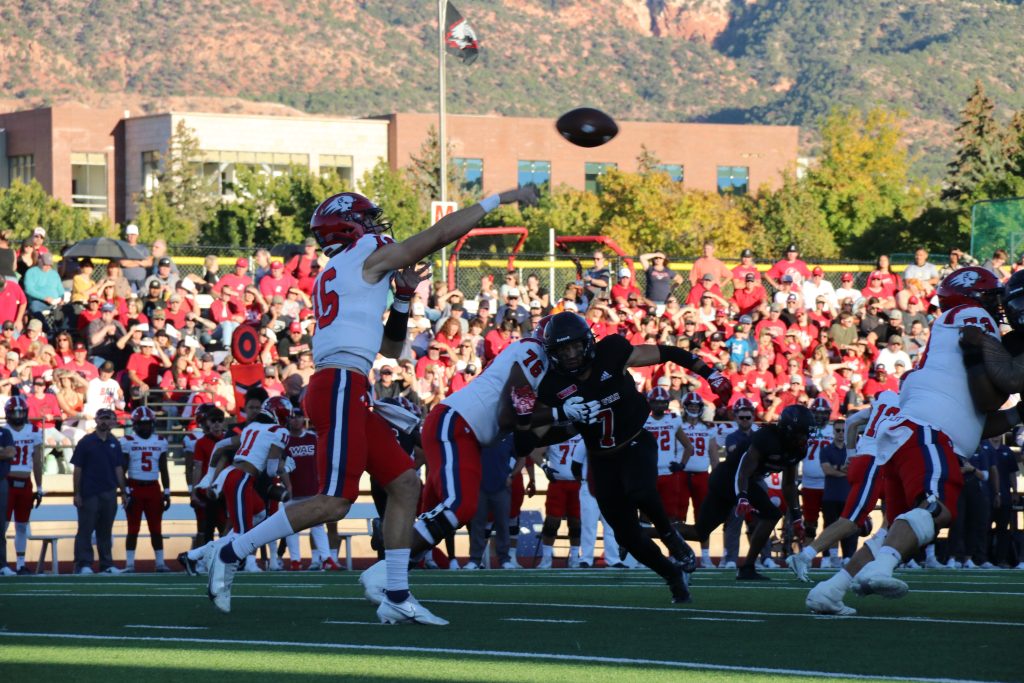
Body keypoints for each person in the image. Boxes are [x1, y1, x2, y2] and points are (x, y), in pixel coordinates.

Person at [207, 186, 537, 624]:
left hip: (350, 385)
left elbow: (392, 345)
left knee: (404, 484)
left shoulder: (346, 267)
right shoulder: (364, 254)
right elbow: (438, 235)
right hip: (339, 384)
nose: (379, 229)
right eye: (369, 220)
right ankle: (230, 550)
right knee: (334, 501)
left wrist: (401, 298)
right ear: (351, 226)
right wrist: (501, 198)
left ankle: (396, 593)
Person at [811, 267, 1007, 610]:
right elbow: (996, 382)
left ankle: (829, 591)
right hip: (928, 432)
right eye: (991, 295)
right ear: (972, 296)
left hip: (913, 433)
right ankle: (882, 568)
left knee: (894, 529)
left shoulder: (948, 343)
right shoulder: (971, 314)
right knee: (938, 509)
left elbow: (979, 416)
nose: (996, 304)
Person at [530, 312, 733, 602]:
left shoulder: (611, 352)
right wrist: (527, 427)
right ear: (554, 353)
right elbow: (543, 429)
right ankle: (672, 575)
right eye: (564, 349)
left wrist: (709, 373)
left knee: (641, 490)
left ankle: (669, 536)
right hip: (602, 459)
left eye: (576, 346)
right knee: (626, 536)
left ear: (587, 342)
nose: (572, 354)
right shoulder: (553, 385)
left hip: (636, 441)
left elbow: (668, 352)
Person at [681, 404, 815, 580]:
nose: (804, 438)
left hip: (746, 480)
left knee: (770, 514)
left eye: (807, 433)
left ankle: (747, 567)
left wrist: (797, 516)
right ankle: (643, 533)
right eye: (801, 433)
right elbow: (742, 471)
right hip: (726, 478)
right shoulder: (766, 437)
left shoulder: (798, 448)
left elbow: (789, 484)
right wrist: (742, 496)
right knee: (699, 533)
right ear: (788, 429)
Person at [790, 391, 897, 594]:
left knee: (892, 518)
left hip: (874, 462)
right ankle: (803, 556)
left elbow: (852, 421)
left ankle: (876, 567)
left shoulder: (881, 406)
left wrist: (851, 454)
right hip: (874, 462)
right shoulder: (910, 406)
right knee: (851, 521)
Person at [71, 408, 128, 574]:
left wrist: (123, 491)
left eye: (108, 419)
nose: (105, 422)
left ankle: (106, 563)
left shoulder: (115, 442)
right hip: (89, 492)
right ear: (96, 420)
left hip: (109, 492)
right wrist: (77, 493)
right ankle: (84, 564)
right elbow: (78, 470)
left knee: (105, 530)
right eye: (102, 418)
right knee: (86, 529)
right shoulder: (86, 442)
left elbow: (119, 469)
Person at [280, 406, 336, 571]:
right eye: (292, 417)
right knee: (291, 528)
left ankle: (326, 558)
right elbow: (280, 465)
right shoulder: (284, 440)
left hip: (313, 490)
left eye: (298, 416)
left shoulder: (313, 438)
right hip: (292, 491)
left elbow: (325, 459)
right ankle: (295, 561)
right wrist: (287, 485)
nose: (295, 420)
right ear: (288, 420)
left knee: (318, 526)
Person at [120, 406, 172, 572]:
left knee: (156, 528)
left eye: (148, 424)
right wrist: (126, 491)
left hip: (153, 488)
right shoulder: (127, 441)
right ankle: (129, 564)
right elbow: (122, 469)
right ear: (135, 425)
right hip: (134, 486)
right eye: (142, 424)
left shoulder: (160, 441)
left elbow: (164, 468)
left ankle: (160, 563)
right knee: (133, 528)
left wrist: (167, 491)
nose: (145, 427)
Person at [463, 434, 518, 570]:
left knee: (502, 524)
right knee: (477, 524)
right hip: (480, 486)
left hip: (501, 486)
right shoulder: (479, 435)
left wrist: (510, 474)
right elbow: (467, 455)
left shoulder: (509, 437)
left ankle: (504, 559)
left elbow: (517, 456)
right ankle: (475, 560)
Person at [3, 396, 44, 574]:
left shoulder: (34, 430)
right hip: (6, 482)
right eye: (15, 412)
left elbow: (37, 460)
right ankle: (2, 563)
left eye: (21, 411)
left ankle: (20, 563)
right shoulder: (3, 432)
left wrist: (40, 486)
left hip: (25, 483)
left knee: (21, 525)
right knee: (2, 525)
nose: (18, 415)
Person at [678, 391, 718, 567]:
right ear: (685, 408)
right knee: (678, 516)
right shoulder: (677, 425)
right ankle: (677, 553)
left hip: (702, 475)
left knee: (703, 516)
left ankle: (706, 556)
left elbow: (714, 456)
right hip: (681, 475)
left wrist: (716, 478)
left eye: (696, 406)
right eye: (691, 406)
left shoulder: (708, 428)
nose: (693, 409)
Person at [532, 433, 583, 569]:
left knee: (576, 521)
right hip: (558, 482)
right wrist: (544, 466)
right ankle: (547, 558)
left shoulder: (583, 432)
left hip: (578, 482)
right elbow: (535, 452)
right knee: (552, 520)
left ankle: (575, 557)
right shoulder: (555, 433)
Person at [0, 420, 15, 575]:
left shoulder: (5, 433)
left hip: (1, 481)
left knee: (0, 526)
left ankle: (2, 564)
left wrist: (4, 452)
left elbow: (10, 452)